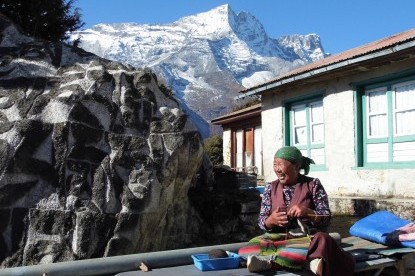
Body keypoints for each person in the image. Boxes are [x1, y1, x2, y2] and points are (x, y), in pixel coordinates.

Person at [242, 146, 354, 276]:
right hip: (279, 240)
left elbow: (326, 216)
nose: (277, 169)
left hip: (307, 239)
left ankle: (271, 263)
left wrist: (308, 212)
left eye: (280, 165)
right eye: (275, 164)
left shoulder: (313, 185)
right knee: (251, 245)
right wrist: (270, 220)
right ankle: (308, 263)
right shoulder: (270, 188)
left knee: (323, 239)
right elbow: (262, 221)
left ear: (295, 167)